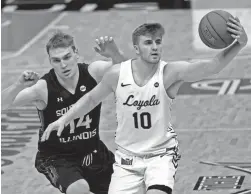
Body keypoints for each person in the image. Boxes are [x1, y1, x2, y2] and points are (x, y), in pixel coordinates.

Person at [42, 18, 248, 194]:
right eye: (148, 43)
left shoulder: (170, 73)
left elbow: (212, 67)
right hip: (127, 158)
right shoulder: (117, 74)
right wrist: (63, 120)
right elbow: (90, 100)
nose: (155, 47)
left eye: (158, 42)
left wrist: (239, 43)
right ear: (136, 48)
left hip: (161, 155)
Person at [2, 31, 127, 194]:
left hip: (92, 151)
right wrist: (18, 85)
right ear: (51, 62)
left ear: (76, 54)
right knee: (79, 189)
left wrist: (114, 53)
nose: (63, 65)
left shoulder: (93, 72)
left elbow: (127, 72)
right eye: (56, 60)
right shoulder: (43, 88)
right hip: (57, 157)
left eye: (67, 57)